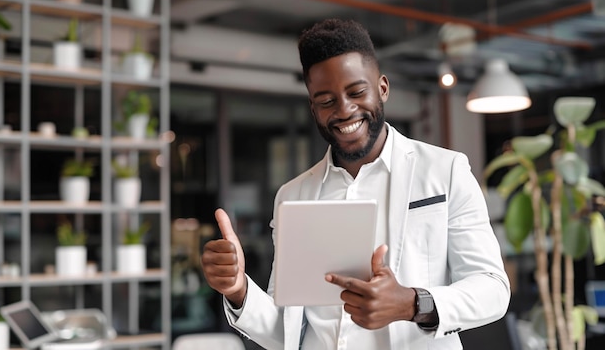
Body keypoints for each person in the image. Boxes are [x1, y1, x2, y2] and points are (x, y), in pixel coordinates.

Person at [201, 18, 510, 349]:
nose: (345, 110)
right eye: (326, 100)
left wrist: (412, 303)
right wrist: (238, 290)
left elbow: (493, 289)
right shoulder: (293, 196)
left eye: (356, 92)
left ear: (383, 88)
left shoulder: (445, 170)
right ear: (313, 107)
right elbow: (286, 332)